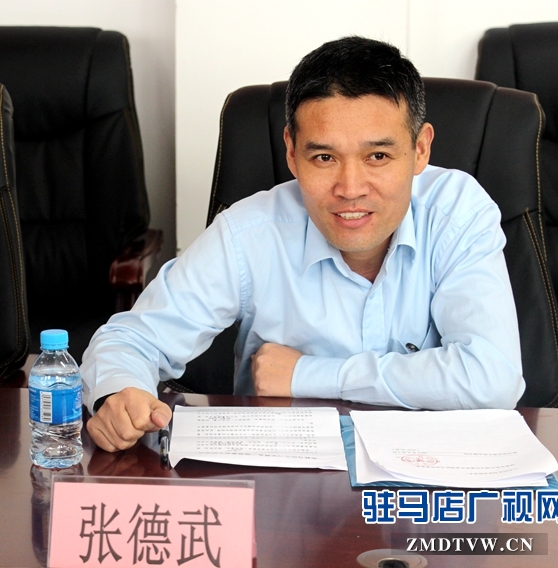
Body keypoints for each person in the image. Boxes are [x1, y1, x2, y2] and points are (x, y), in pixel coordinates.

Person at [82, 36, 525, 452]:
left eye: (378, 156)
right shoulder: (250, 232)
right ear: (292, 152)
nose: (351, 189)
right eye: (324, 157)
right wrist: (121, 392)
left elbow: (493, 378)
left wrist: (307, 374)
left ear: (421, 149)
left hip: (426, 475)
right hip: (284, 478)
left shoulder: (456, 214)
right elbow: (130, 340)